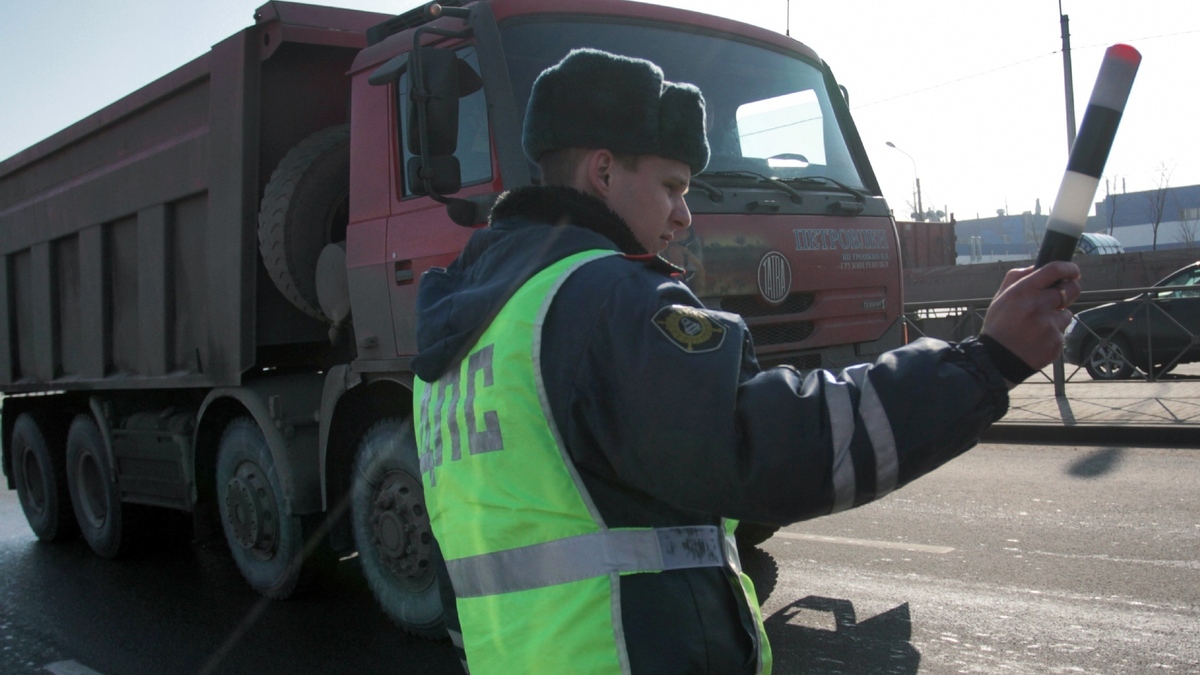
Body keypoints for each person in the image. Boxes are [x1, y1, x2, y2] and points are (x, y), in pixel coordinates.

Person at [411, 48, 1081, 675]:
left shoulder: (466, 329)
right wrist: (985, 363)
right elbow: (771, 444)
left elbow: (463, 569)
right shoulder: (603, 297)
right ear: (604, 170)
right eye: (672, 186)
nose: (684, 216)